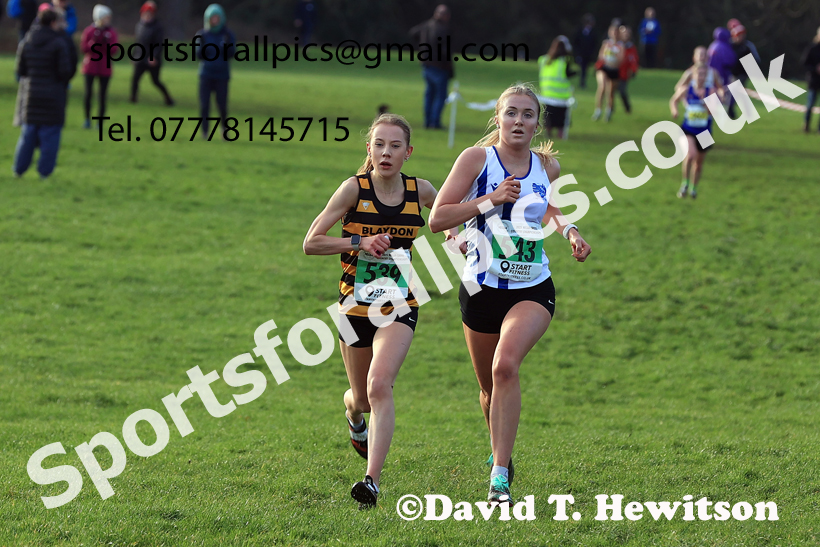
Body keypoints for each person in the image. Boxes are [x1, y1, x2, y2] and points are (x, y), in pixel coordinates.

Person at [428, 84, 591, 504]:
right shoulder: (475, 160)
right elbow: (438, 218)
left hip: (533, 286)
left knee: (505, 368)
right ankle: (500, 448)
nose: (519, 121)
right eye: (512, 113)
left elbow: (546, 206)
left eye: (528, 115)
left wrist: (568, 229)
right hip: (480, 289)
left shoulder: (546, 166)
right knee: (487, 389)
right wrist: (490, 199)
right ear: (497, 118)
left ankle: (499, 476)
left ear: (538, 123)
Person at [303, 114, 441, 507]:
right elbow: (311, 242)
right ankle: (353, 415)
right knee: (362, 398)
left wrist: (455, 235)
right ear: (369, 149)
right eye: (379, 144)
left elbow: (449, 212)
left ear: (408, 153)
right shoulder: (352, 189)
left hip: (400, 306)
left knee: (381, 385)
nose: (386, 152)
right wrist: (358, 242)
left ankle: (371, 481)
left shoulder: (421, 190)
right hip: (353, 309)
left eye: (395, 146)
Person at [12, 6, 73, 179]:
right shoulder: (59, 43)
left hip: (31, 94)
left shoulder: (27, 41)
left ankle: (19, 169)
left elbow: (21, 70)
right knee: (50, 135)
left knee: (28, 134)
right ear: (54, 22)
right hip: (53, 95)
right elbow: (65, 72)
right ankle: (44, 172)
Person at [670, 47, 724, 199]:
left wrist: (710, 103)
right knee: (690, 154)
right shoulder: (688, 83)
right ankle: (684, 183)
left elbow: (715, 108)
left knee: (699, 162)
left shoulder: (711, 86)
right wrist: (680, 107)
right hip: (688, 128)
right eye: (698, 74)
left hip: (705, 129)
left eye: (703, 74)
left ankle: (693, 188)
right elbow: (675, 94)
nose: (701, 76)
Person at [195, 4, 235, 139]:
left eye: (217, 18)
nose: (215, 20)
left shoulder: (227, 35)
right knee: (204, 105)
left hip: (222, 75)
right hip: (206, 74)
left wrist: (227, 46)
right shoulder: (202, 34)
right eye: (213, 18)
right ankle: (205, 132)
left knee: (222, 105)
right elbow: (198, 54)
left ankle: (224, 129)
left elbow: (231, 53)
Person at [409, 4, 453, 129]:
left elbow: (413, 33)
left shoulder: (426, 25)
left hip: (426, 65)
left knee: (429, 94)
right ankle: (434, 122)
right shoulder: (443, 29)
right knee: (440, 95)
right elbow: (445, 51)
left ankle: (427, 121)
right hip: (439, 66)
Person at [80, 4, 117, 129]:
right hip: (90, 66)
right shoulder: (90, 31)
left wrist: (105, 44)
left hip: (104, 67)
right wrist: (94, 43)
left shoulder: (111, 32)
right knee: (88, 94)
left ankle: (99, 122)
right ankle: (87, 119)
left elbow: (114, 49)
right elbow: (84, 48)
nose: (108, 20)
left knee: (102, 96)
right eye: (106, 17)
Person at [130, 1, 174, 106]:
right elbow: (138, 43)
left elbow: (159, 44)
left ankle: (168, 99)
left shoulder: (158, 27)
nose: (147, 16)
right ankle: (133, 99)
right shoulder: (139, 26)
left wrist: (153, 57)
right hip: (140, 58)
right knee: (135, 79)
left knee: (156, 81)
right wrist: (134, 55)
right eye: (145, 13)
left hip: (152, 60)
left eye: (150, 14)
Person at [538, 36, 575, 140]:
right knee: (561, 120)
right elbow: (568, 74)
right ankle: (560, 135)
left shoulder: (544, 60)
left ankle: (548, 134)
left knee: (549, 118)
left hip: (547, 94)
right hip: (561, 96)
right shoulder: (565, 60)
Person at [727, 22, 760, 117]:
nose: (740, 37)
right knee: (739, 94)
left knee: (735, 92)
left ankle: (731, 112)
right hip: (732, 73)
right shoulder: (730, 46)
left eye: (742, 35)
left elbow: (756, 60)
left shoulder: (747, 46)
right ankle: (747, 112)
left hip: (742, 74)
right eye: (738, 35)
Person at [592, 25, 623, 122]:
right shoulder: (606, 43)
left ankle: (608, 111)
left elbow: (621, 59)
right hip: (604, 68)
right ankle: (598, 110)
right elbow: (601, 55)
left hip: (614, 70)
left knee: (611, 92)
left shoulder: (621, 45)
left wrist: (614, 61)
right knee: (602, 86)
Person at [707, 27, 735, 108]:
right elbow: (730, 61)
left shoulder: (712, 45)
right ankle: (721, 106)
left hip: (711, 72)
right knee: (722, 90)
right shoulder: (724, 47)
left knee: (713, 88)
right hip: (722, 73)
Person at [801, 26, 820, 133]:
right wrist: (815, 69)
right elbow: (804, 63)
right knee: (810, 104)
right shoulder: (812, 49)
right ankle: (806, 125)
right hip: (813, 80)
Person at [617, 25, 639, 114]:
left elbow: (633, 60)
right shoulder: (616, 45)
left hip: (623, 73)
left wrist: (634, 70)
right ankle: (609, 109)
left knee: (622, 91)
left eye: (627, 34)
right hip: (614, 71)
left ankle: (627, 107)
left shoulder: (631, 47)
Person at [573, 14, 596, 89]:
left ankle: (582, 81)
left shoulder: (593, 32)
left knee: (585, 69)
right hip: (581, 53)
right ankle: (581, 82)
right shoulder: (580, 30)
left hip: (588, 54)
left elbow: (594, 43)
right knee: (582, 68)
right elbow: (576, 42)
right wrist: (577, 53)